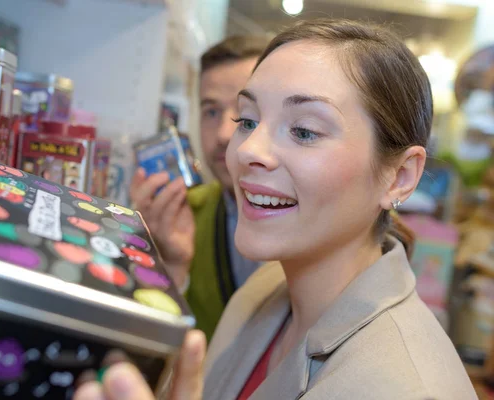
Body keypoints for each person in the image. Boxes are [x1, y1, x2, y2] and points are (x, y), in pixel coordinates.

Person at [75, 18, 477, 400]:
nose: (247, 149)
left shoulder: (407, 388)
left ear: (400, 177)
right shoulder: (264, 289)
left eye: (303, 131)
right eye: (247, 120)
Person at [129, 35, 270, 341]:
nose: (222, 133)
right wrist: (167, 266)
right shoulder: (182, 213)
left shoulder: (328, 224)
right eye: (211, 112)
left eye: (245, 113)